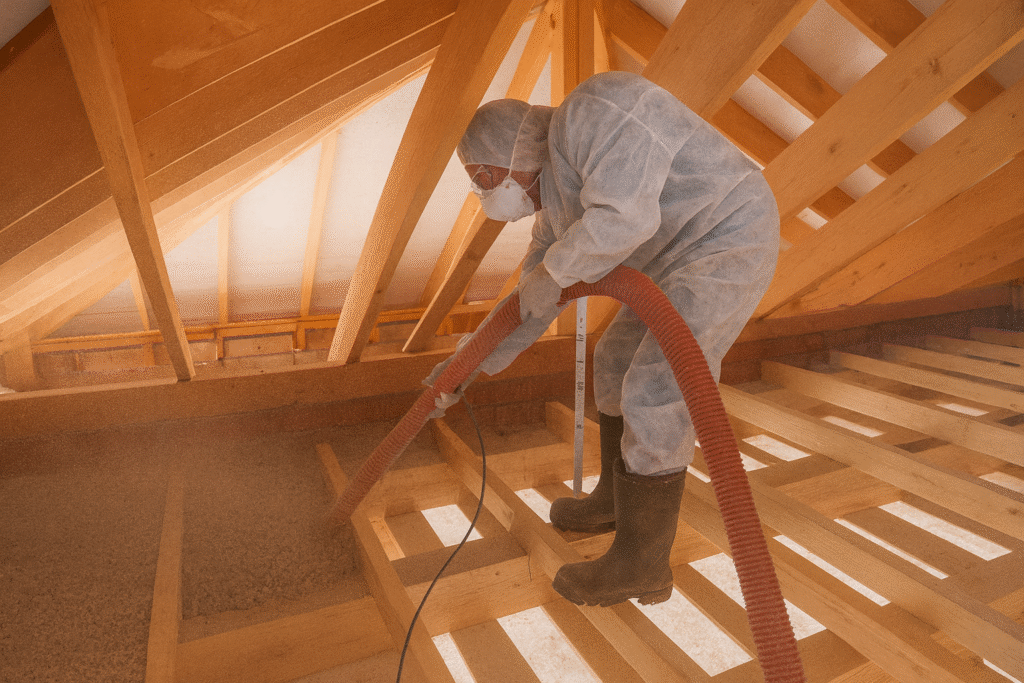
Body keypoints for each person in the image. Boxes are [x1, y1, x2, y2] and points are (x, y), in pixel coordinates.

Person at [427, 71, 779, 607]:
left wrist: (554, 274)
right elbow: (528, 301)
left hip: (725, 237)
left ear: (511, 153)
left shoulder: (597, 109)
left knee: (659, 381)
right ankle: (616, 502)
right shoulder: (556, 204)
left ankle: (642, 563)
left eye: (482, 177)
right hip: (674, 259)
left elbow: (624, 219)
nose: (483, 193)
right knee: (615, 359)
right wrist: (465, 364)